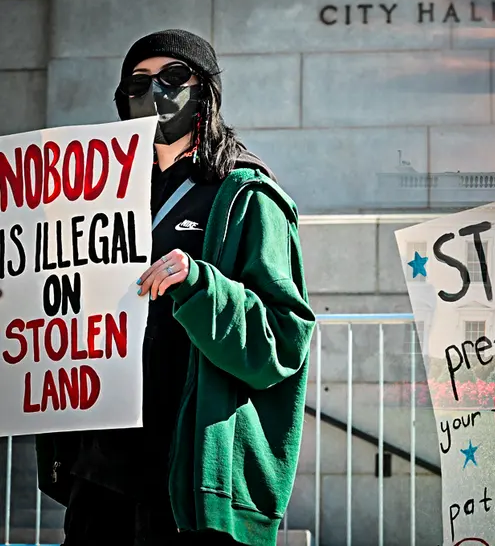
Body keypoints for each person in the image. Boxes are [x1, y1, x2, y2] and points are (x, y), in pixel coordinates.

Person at [34, 29, 316, 546]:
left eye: (173, 77)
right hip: (101, 469)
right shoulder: (96, 199)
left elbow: (284, 340)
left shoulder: (246, 196)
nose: (155, 92)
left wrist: (201, 284)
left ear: (204, 93)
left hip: (188, 472)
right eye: (138, 82)